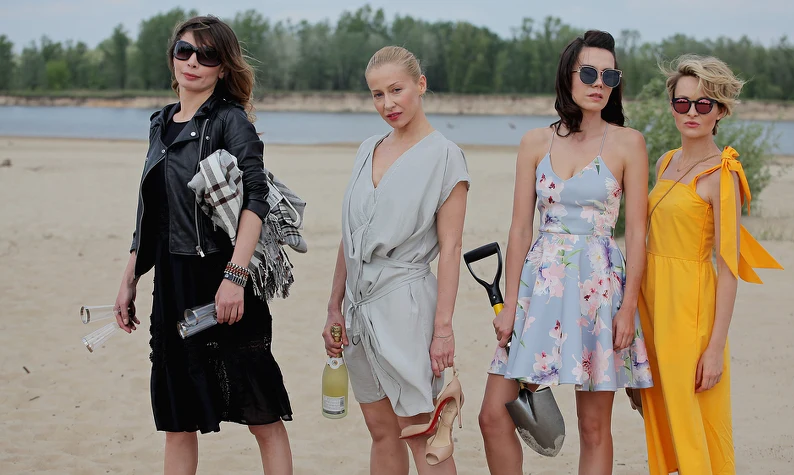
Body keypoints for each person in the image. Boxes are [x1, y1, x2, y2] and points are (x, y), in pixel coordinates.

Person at [113, 16, 293, 475]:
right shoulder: (160, 123)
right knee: (177, 418)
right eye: (184, 50)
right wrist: (130, 277)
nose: (193, 61)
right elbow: (151, 211)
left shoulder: (230, 121)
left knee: (261, 411)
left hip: (223, 277)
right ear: (172, 58)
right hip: (172, 282)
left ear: (222, 67)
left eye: (207, 54)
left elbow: (257, 198)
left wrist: (235, 277)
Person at [477, 30, 654, 475]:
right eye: (589, 73)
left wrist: (628, 307)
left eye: (609, 76)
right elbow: (520, 228)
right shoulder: (535, 142)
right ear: (567, 76)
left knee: (593, 429)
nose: (599, 84)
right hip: (539, 287)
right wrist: (510, 303)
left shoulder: (628, 143)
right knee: (493, 414)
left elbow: (637, 233)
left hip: (599, 288)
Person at [322, 45, 470, 475]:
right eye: (377, 94)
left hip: (407, 307)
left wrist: (443, 330)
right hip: (357, 311)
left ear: (420, 85)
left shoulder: (445, 156)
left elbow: (451, 249)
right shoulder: (367, 148)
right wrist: (334, 306)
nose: (388, 103)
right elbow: (349, 237)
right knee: (382, 432)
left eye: (396, 90)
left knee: (422, 434)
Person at [637, 54, 783, 475]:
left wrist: (715, 348)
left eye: (703, 104)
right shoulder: (665, 161)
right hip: (654, 304)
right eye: (682, 102)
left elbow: (728, 266)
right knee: (663, 412)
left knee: (692, 417)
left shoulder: (723, 174)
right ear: (672, 107)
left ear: (720, 111)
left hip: (691, 310)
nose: (692, 112)